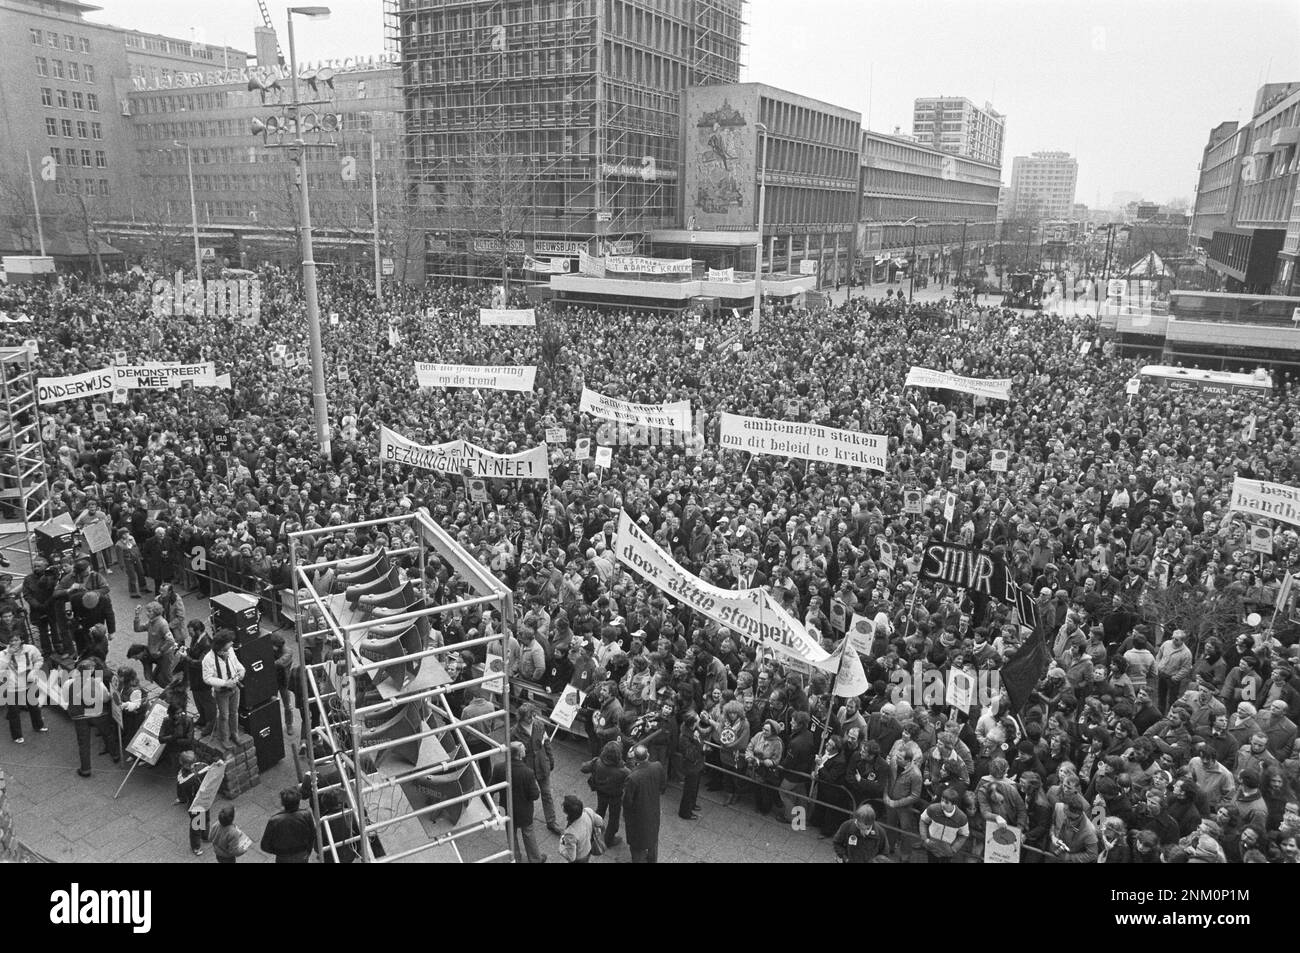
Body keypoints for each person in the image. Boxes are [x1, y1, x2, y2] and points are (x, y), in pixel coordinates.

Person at [491, 740, 545, 863]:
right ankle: (535, 859)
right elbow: (535, 795)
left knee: (511, 835)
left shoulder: (499, 768)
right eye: (524, 749)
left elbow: (491, 788)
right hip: (524, 810)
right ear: (519, 755)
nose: (526, 750)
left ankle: (516, 858)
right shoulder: (528, 772)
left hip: (507, 808)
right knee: (528, 834)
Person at [512, 702, 560, 835]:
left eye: (533, 715)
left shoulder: (539, 725)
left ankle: (551, 822)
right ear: (521, 718)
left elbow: (546, 743)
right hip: (527, 769)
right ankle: (528, 822)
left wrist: (551, 759)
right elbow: (512, 753)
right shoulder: (514, 732)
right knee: (529, 796)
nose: (532, 719)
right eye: (529, 717)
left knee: (547, 794)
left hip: (542, 765)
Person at [201, 630, 246, 750]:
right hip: (221, 692)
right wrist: (225, 683)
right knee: (224, 715)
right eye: (229, 643)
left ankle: (234, 734)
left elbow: (236, 663)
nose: (232, 644)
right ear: (221, 647)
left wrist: (241, 670)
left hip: (235, 688)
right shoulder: (208, 659)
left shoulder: (230, 651)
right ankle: (224, 738)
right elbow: (207, 678)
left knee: (234, 712)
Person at [622, 744, 667, 863]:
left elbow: (627, 801)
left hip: (638, 817)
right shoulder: (657, 766)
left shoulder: (632, 778)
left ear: (635, 759)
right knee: (653, 840)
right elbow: (663, 786)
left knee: (637, 846)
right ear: (648, 755)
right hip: (653, 811)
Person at [580, 739, 629, 847]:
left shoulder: (597, 762)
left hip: (601, 793)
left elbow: (583, 768)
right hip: (615, 796)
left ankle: (593, 833)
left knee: (600, 812)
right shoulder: (623, 771)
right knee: (614, 818)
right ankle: (609, 839)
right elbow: (632, 779)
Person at [1, 632, 46, 743]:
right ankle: (17, 736)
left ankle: (38, 726)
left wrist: (35, 670)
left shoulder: (30, 648)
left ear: (21, 640)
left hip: (29, 683)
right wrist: (8, 655)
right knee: (14, 712)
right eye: (11, 641)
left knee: (34, 707)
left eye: (16, 640)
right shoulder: (3, 653)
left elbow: (39, 660)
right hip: (13, 686)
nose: (14, 643)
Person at [260, 787, 316, 862]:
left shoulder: (274, 820)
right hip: (302, 854)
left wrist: (279, 852)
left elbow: (264, 845)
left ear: (283, 803)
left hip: (283, 857)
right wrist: (308, 851)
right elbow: (312, 835)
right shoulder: (306, 815)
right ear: (299, 801)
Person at [918, 788, 971, 863]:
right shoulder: (932, 809)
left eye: (946, 802)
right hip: (931, 848)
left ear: (954, 804)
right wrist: (925, 839)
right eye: (942, 800)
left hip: (947, 853)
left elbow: (964, 835)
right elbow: (923, 820)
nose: (942, 804)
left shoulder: (962, 818)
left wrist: (953, 849)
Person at [134, 600, 178, 687]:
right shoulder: (151, 622)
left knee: (167, 677)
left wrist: (161, 651)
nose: (147, 613)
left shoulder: (162, 624)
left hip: (165, 655)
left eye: (149, 611)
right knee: (153, 674)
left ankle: (174, 692)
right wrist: (137, 616)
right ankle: (156, 688)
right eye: (147, 611)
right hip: (154, 654)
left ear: (156, 612)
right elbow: (137, 629)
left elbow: (171, 640)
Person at [176, 752, 210, 856]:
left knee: (206, 819)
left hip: (204, 800)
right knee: (196, 827)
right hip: (195, 805)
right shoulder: (183, 776)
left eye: (192, 763)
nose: (192, 766)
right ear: (183, 764)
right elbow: (183, 785)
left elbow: (206, 767)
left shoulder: (198, 766)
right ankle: (195, 846)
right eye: (189, 764)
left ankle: (205, 836)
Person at [557, 794, 604, 863]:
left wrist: (561, 848)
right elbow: (600, 822)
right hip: (589, 849)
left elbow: (571, 857)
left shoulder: (570, 833)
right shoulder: (588, 811)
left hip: (579, 858)